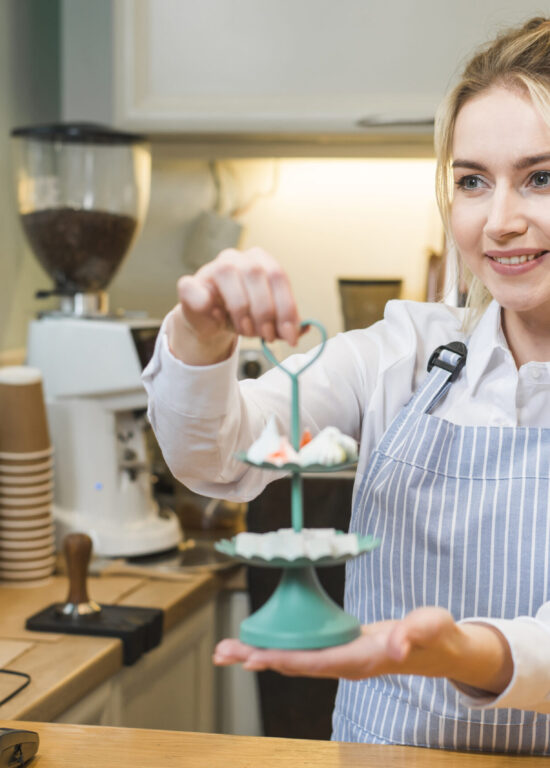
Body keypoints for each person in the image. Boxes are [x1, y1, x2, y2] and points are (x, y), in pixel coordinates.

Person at [143, 17, 550, 753]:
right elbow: (217, 458)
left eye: (541, 178)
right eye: (471, 182)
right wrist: (201, 338)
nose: (500, 222)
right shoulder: (400, 355)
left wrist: (458, 651)